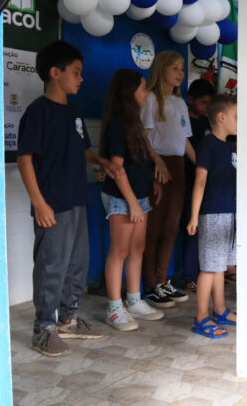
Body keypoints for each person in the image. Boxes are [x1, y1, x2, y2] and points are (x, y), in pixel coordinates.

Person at [17, 41, 113, 356]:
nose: (81, 79)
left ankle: (68, 319)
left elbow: (79, 147)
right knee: (51, 264)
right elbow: (25, 159)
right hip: (52, 203)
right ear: (55, 73)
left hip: (77, 198)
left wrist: (100, 161)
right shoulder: (37, 112)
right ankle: (43, 328)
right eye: (76, 72)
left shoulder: (73, 110)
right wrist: (39, 202)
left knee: (77, 262)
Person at [187, 95, 247, 337]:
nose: (241, 122)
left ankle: (219, 310)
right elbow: (200, 181)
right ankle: (201, 317)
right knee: (209, 268)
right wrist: (194, 216)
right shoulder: (208, 144)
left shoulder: (231, 146)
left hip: (231, 212)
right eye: (238, 117)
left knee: (220, 266)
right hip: (213, 214)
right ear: (222, 117)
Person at [100, 69, 165, 331]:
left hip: (139, 196)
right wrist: (133, 203)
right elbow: (117, 169)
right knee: (121, 251)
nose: (146, 93)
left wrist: (152, 183)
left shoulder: (135, 122)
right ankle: (115, 308)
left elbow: (141, 160)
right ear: (129, 92)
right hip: (121, 197)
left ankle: (134, 300)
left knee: (138, 248)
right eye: (142, 88)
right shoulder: (116, 124)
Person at [140, 51, 195, 308]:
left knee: (172, 226)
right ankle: (150, 283)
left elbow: (184, 141)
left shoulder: (179, 102)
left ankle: (162, 281)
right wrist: (157, 162)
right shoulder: (151, 99)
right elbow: (144, 136)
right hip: (159, 165)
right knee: (155, 227)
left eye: (182, 69)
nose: (180, 73)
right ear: (161, 69)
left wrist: (202, 164)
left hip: (178, 165)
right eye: (175, 68)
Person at [183, 78, 216, 292]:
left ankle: (201, 273)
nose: (206, 108)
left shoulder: (206, 123)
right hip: (186, 178)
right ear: (190, 99)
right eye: (203, 102)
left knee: (200, 230)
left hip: (204, 181)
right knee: (189, 229)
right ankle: (188, 276)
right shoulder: (183, 120)